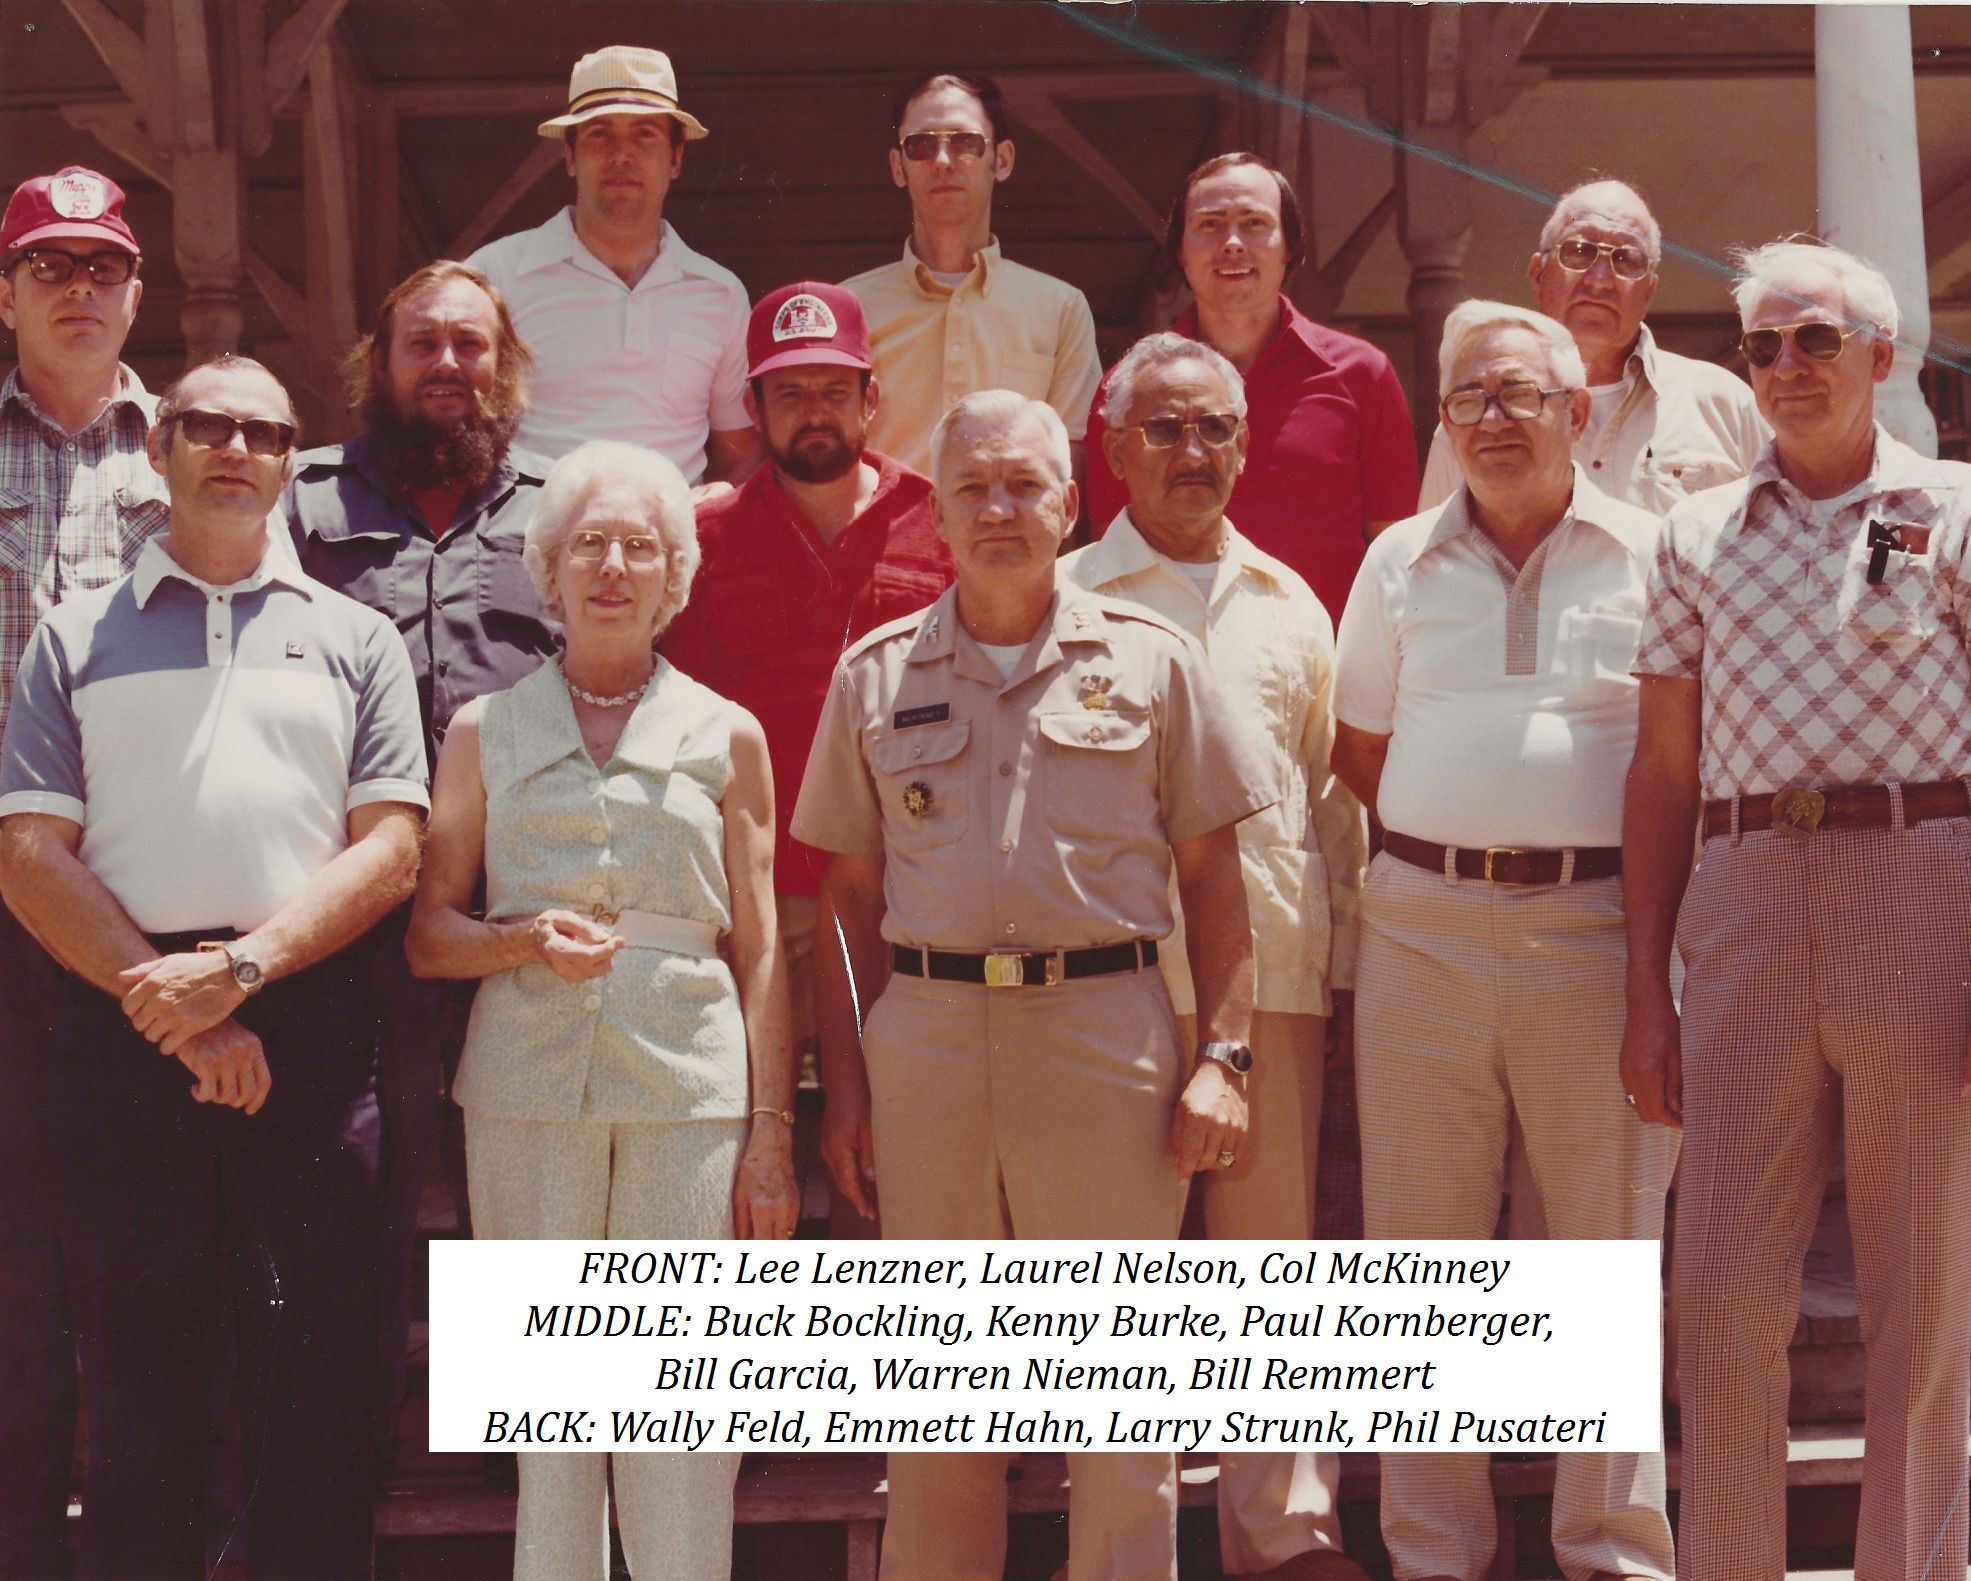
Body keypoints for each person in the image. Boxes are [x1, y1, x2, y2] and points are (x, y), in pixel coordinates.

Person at [793, 389, 1274, 1581]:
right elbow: (844, 904)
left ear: (1071, 502)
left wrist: (1224, 1056)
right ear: (939, 512)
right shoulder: (874, 675)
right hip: (931, 1045)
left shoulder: (1155, 666)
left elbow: (1217, 877)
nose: (1000, 509)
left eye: (1024, 485)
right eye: (974, 488)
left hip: (1104, 1038)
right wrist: (845, 1092)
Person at [0, 354, 428, 1580]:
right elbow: (28, 852)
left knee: (315, 1392)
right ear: (160, 450)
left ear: (294, 461)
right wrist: (179, 1007)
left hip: (306, 1027)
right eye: (206, 426)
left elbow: (393, 848)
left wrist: (235, 980)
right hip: (123, 1031)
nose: (234, 448)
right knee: (139, 1398)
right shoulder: (76, 634)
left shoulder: (357, 638)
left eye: (263, 431)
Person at [1623, 240, 1971, 1581]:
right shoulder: (1689, 535)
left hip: (1917, 884)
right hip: (1745, 897)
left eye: (1810, 340)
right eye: (1759, 347)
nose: (1780, 369)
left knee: (1919, 1293)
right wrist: (1641, 989)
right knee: (1717, 1289)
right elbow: (1659, 768)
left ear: (1878, 356)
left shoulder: (1943, 512)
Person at [407, 439, 798, 1581]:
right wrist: (519, 940)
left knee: (681, 1411)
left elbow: (764, 946)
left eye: (640, 546)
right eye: (590, 544)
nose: (614, 566)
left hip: (690, 1089)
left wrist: (771, 1133)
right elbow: (431, 930)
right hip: (524, 1084)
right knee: (555, 1421)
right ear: (550, 570)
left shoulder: (731, 733)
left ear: (675, 574)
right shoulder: (484, 729)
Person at [1332, 301, 1678, 1581]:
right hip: (1421, 927)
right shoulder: (1395, 561)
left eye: (1520, 395)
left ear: (1579, 414)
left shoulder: (1658, 552)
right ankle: (1435, 1557)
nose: (1491, 418)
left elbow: (1684, 757)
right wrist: (1461, 835)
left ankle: (1610, 1555)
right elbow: (1359, 743)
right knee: (1420, 1261)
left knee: (1602, 1256)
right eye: (1468, 397)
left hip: (1601, 930)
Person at [1062, 332, 1369, 1581]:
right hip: (1110, 986)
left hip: (1274, 984)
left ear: (1245, 446)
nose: (1193, 452)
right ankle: (1126, 1550)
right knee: (1119, 1290)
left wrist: (1341, 973)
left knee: (1268, 1284)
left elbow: (1325, 799)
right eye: (1165, 429)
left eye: (1216, 431)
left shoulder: (1293, 601)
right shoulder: (1066, 592)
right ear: (1115, 444)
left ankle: (1285, 1543)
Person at [284, 257, 559, 1453]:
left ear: (507, 370)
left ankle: (519, 1436)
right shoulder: (301, 507)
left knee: (523, 1164)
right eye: (422, 346)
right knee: (364, 1169)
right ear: (376, 367)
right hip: (352, 900)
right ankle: (367, 1427)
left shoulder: (564, 507)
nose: (448, 367)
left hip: (524, 906)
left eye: (472, 346)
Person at [661, 280, 952, 1230]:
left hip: (908, 891)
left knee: (893, 1157)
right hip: (761, 895)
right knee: (752, 1156)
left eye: (834, 388)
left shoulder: (939, 518)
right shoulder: (704, 537)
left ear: (873, 398)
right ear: (752, 409)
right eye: (789, 392)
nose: (815, 411)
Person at [0, 163, 163, 1581]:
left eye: (100, 265)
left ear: (136, 292)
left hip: (131, 902)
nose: (75, 286)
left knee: (132, 1231)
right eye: (46, 263)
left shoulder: (194, 456)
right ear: (6, 293)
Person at [1083, 152, 1418, 623]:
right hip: (1172, 668)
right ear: (1180, 250)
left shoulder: (1363, 375)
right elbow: (1110, 552)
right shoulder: (1126, 390)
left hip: (1326, 672)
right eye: (1210, 224)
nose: (1233, 243)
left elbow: (1396, 553)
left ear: (1290, 247)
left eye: (1254, 223)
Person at [468, 46, 759, 483]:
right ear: (569, 157)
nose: (621, 155)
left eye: (645, 134)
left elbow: (739, 459)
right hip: (526, 545)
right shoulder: (494, 278)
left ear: (676, 159)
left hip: (671, 545)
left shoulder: (721, 294)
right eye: (599, 134)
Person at [1418, 179, 1765, 514]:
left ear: (1650, 290)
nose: (1600, 280)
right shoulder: (1477, 419)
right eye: (1579, 252)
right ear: (1538, 273)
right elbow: (1434, 559)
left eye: (1627, 259)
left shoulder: (1724, 404)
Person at [842, 71, 1101, 478]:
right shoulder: (847, 308)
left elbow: (1073, 467)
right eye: (921, 145)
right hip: (883, 542)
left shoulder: (1060, 309)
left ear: (1002, 160)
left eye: (965, 143)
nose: (943, 161)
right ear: (898, 166)